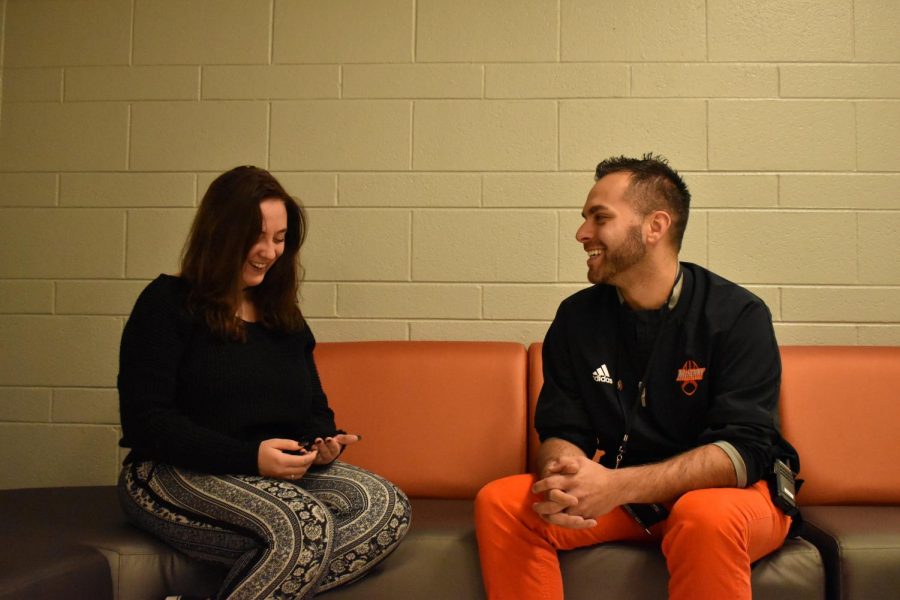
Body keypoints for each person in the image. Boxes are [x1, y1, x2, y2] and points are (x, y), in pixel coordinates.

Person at [474, 154, 801, 599]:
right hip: (627, 496)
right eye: (585, 218)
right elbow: (562, 427)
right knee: (502, 503)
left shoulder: (737, 315)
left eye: (599, 217)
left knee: (702, 517)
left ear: (655, 226)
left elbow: (742, 452)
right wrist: (565, 474)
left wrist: (613, 485)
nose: (582, 233)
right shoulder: (577, 317)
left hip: (729, 496)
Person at [117, 166, 411, 600]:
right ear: (220, 235)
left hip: (270, 477)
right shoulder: (166, 304)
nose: (269, 251)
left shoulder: (282, 315)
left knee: (385, 507)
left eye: (280, 238)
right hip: (170, 472)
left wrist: (321, 439)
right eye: (256, 237)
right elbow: (147, 422)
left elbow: (314, 406)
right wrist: (250, 457)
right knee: (302, 526)